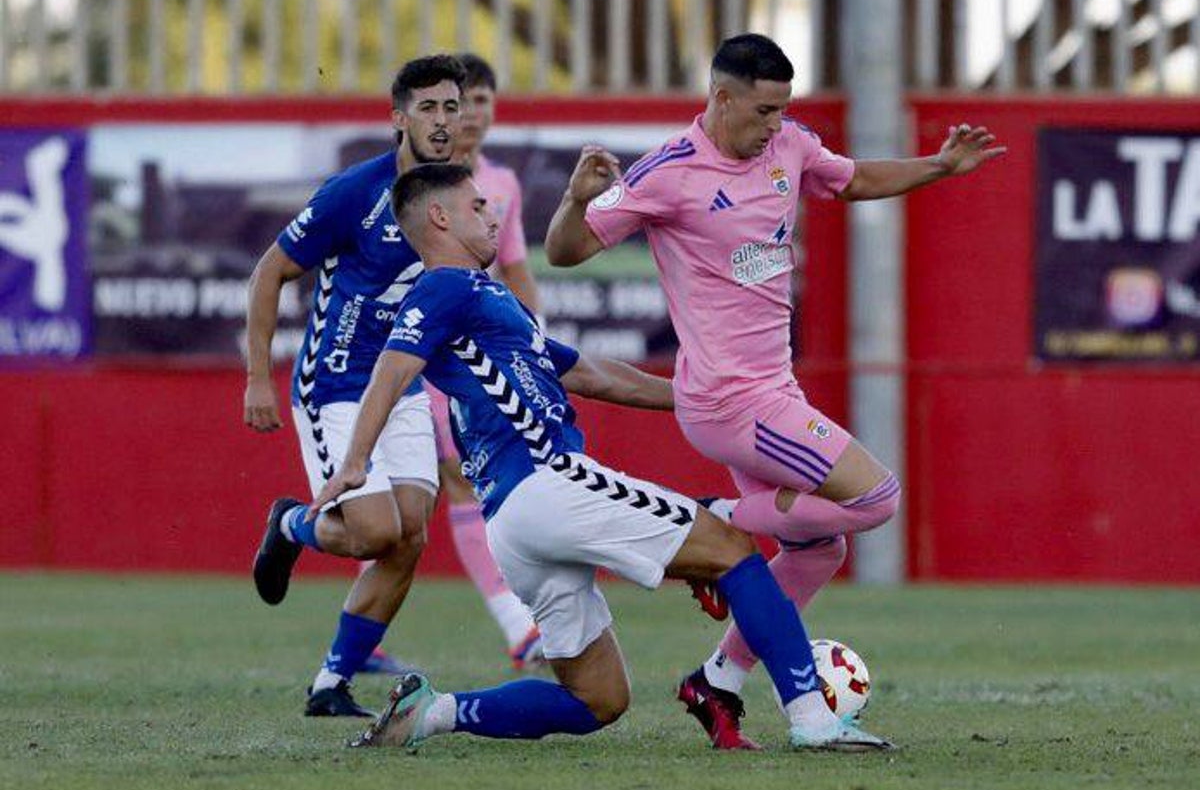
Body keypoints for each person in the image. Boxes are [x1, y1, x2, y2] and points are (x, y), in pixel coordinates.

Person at [310, 162, 890, 752]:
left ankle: (433, 712)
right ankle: (813, 721)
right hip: (548, 480)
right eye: (478, 206)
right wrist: (356, 462)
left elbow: (593, 374)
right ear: (440, 217)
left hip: (513, 524)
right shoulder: (444, 286)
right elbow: (394, 364)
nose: (492, 215)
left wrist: (696, 400)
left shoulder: (487, 302)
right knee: (733, 549)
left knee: (598, 700)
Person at [543, 33, 1005, 749]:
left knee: (820, 551)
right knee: (878, 498)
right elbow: (565, 253)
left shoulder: (789, 146)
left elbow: (852, 181)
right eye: (762, 110)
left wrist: (940, 167)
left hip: (770, 391)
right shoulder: (668, 172)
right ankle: (711, 514)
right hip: (730, 401)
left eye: (783, 109)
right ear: (721, 98)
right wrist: (576, 203)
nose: (774, 125)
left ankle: (718, 681)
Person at [244, 54, 466, 718]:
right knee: (373, 532)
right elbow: (268, 272)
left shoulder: (454, 195)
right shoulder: (354, 193)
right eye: (427, 107)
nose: (441, 120)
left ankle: (329, 685)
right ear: (398, 117)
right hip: (335, 383)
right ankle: (290, 524)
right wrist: (258, 374)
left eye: (451, 107)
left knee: (413, 536)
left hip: (399, 387)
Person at [423, 52, 545, 668]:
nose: (473, 115)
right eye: (462, 102)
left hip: (475, 355)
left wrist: (536, 337)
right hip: (413, 350)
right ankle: (517, 623)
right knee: (415, 494)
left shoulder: (502, 185)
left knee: (472, 478)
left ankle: (521, 620)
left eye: (483, 102)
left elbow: (516, 269)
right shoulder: (415, 182)